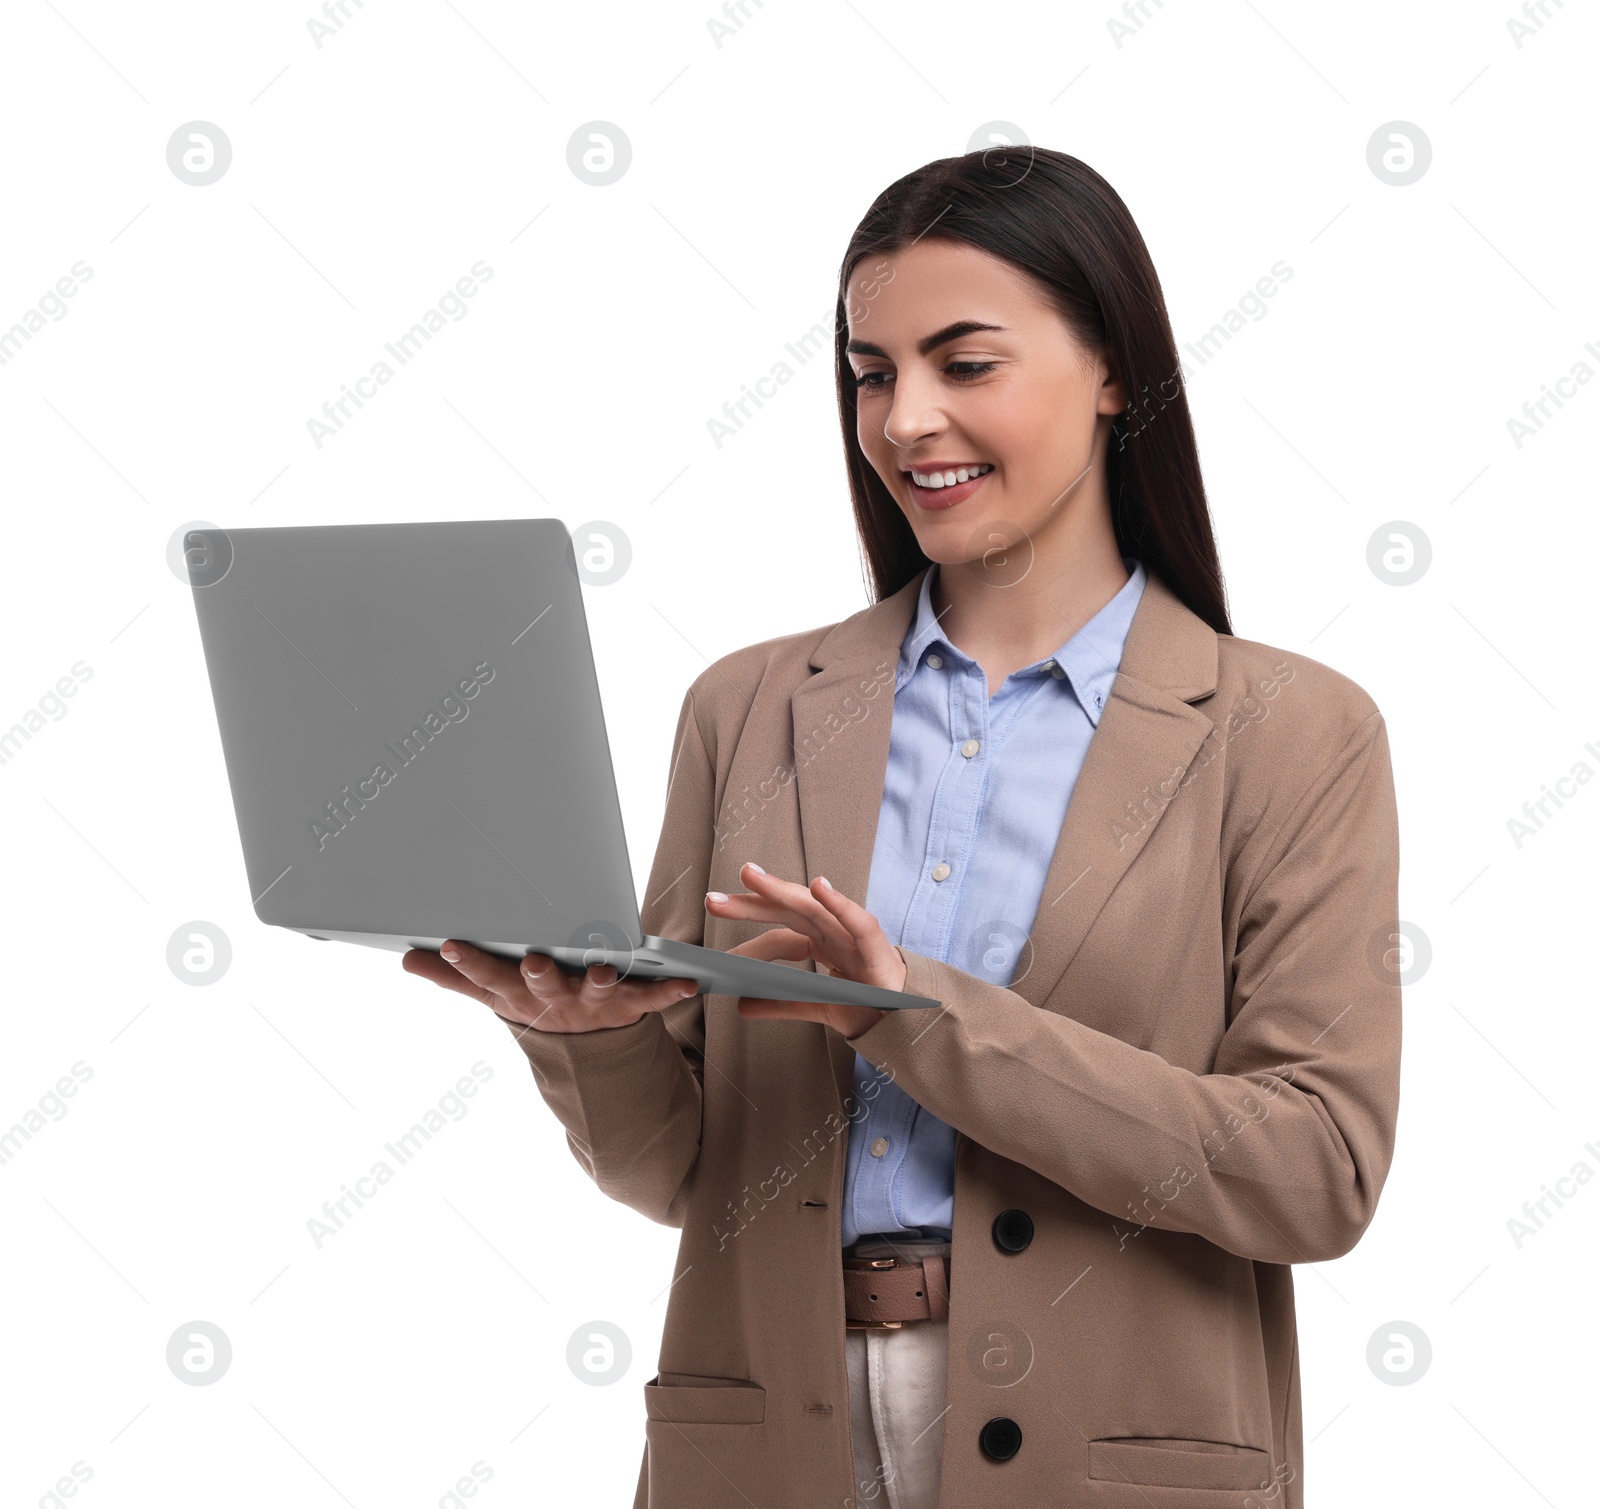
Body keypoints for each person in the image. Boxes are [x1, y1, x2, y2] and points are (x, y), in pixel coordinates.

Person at [402, 146, 1402, 1509]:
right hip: (764, 1443)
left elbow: (1318, 1172)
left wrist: (917, 1016)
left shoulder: (1290, 730)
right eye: (872, 372)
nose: (905, 419)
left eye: (964, 362)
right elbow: (680, 1170)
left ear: (1113, 370)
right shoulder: (748, 708)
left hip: (1117, 1451)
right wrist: (586, 1040)